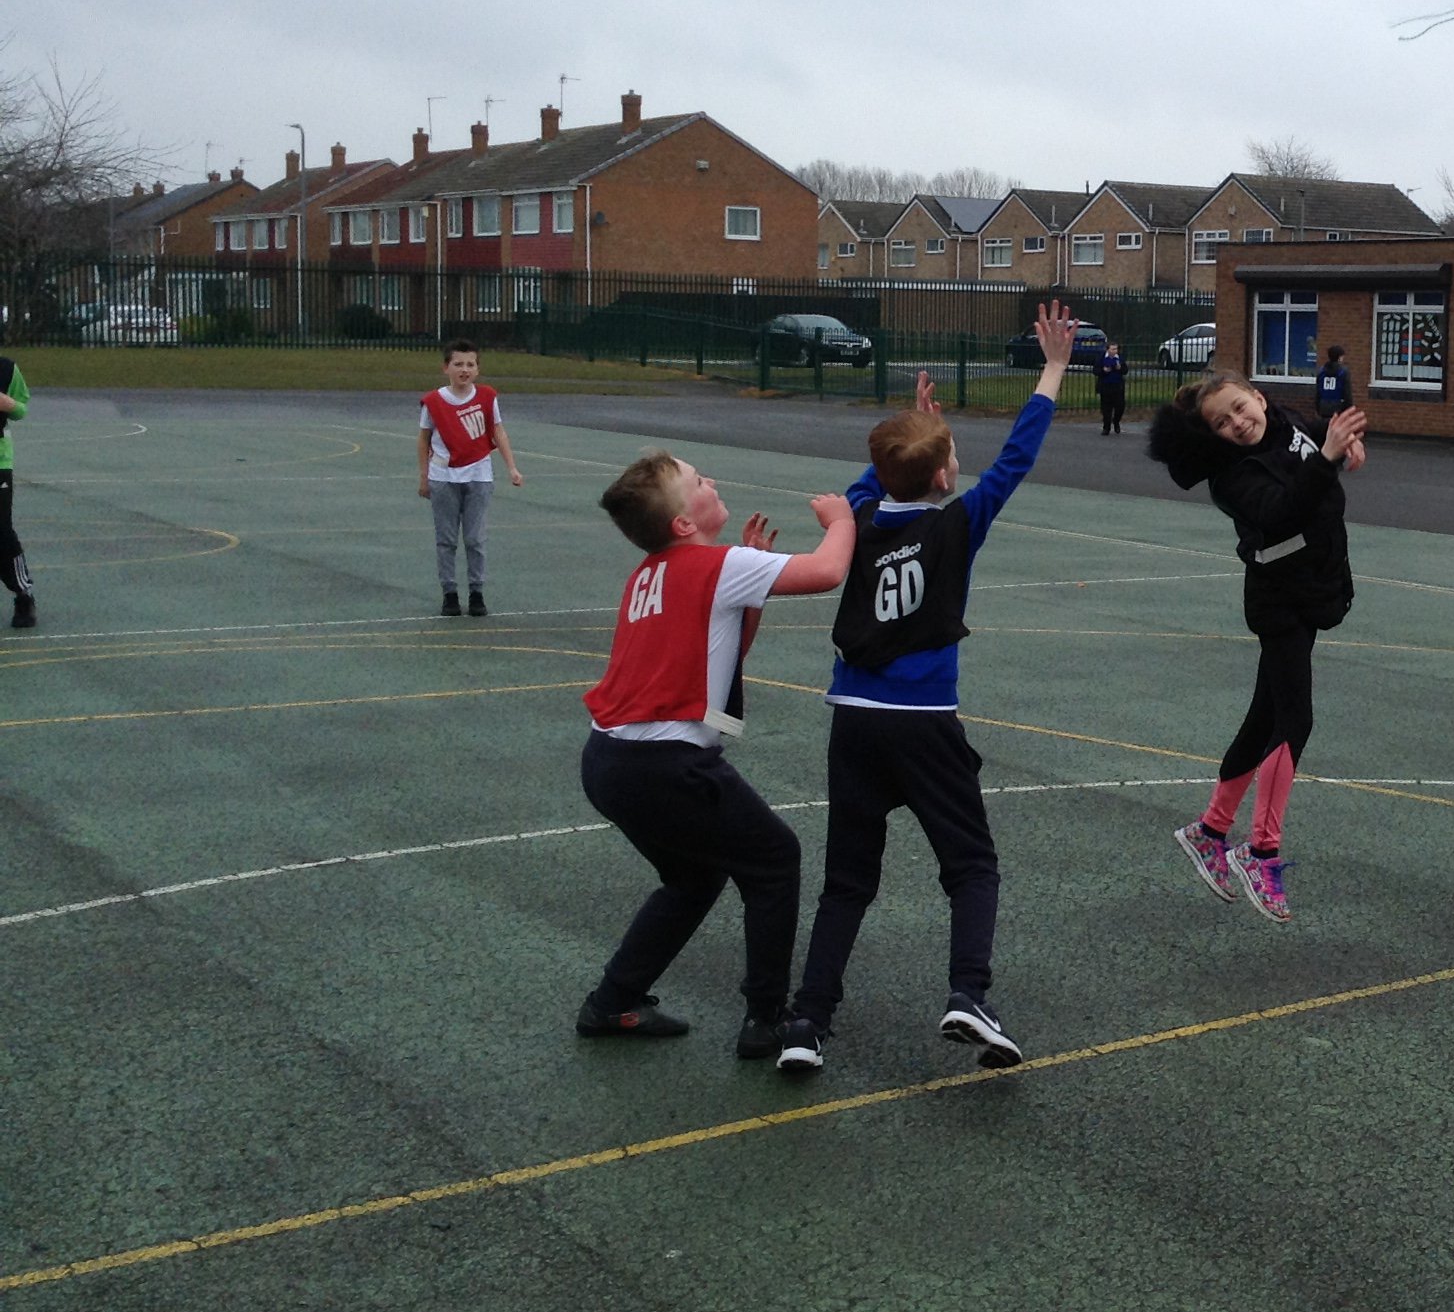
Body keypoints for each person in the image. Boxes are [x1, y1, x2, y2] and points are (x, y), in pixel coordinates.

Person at [779, 304, 1079, 1076]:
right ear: (946, 475)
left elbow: (873, 478)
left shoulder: (859, 513)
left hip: (854, 721)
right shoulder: (957, 524)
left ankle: (807, 1022)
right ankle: (967, 994)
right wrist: (1052, 366)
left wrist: (913, 427)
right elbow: (1016, 457)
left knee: (847, 883)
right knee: (972, 866)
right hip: (922, 723)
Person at [575, 453, 856, 1056]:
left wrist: (749, 589)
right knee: (776, 858)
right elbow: (829, 572)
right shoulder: (719, 564)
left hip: (608, 762)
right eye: (698, 482)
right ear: (682, 523)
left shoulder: (650, 573)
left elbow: (721, 657)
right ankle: (764, 1019)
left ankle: (613, 1001)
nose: (712, 482)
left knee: (693, 877)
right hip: (663, 764)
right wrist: (842, 520)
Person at [1149, 369, 1366, 924]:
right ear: (1213, 435)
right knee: (1295, 720)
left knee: (1263, 716)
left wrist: (1346, 442)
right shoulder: (1231, 477)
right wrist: (1327, 459)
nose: (1238, 424)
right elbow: (1280, 511)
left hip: (1314, 584)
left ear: (1259, 398)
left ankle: (1210, 830)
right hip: (1280, 599)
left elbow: (1320, 430)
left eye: (1241, 409)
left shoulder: (1285, 422)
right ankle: (1261, 849)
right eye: (1223, 423)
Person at [416, 339, 523, 616]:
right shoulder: (434, 402)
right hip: (443, 477)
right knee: (446, 539)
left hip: (478, 476)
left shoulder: (487, 397)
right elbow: (424, 439)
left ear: (477, 369)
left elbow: (498, 432)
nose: (464, 369)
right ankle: (449, 593)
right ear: (446, 368)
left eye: (470, 364)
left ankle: (477, 591)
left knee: (475, 538)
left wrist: (511, 466)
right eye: (458, 364)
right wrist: (424, 476)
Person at [1, 348, 31, 628]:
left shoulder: (7, 369)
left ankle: (23, 594)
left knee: (1, 530)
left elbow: (22, 408)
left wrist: (7, 403)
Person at [1095, 338, 1129, 435]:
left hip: (1117, 387)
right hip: (1105, 386)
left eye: (1116, 349)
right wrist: (1103, 370)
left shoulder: (1120, 358)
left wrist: (1120, 368)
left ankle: (1116, 421)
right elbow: (1095, 370)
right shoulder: (1101, 358)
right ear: (1107, 350)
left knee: (1120, 407)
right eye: (1112, 349)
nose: (1115, 351)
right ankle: (1106, 427)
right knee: (1106, 409)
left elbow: (1125, 370)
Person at [1313, 343, 1353, 420]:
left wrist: (1317, 408)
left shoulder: (1321, 372)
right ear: (1339, 358)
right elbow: (1347, 393)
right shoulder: (1343, 372)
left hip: (1323, 407)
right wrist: (1348, 409)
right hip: (1338, 407)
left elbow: (1318, 392)